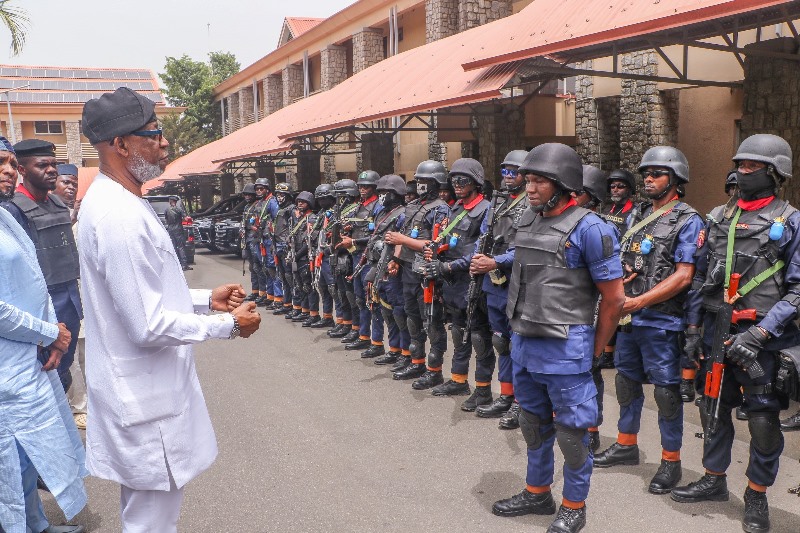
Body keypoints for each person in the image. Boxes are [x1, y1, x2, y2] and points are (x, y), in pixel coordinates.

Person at [77, 87, 262, 533]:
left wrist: (205, 299)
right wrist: (227, 326)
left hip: (144, 393)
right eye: (152, 135)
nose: (164, 144)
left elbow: (142, 294)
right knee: (151, 522)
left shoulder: (123, 202)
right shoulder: (117, 217)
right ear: (120, 145)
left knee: (147, 515)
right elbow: (146, 324)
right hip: (145, 402)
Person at [491, 144, 624, 533]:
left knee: (571, 434)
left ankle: (573, 506)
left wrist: (594, 352)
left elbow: (614, 301)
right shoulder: (527, 221)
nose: (529, 187)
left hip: (567, 349)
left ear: (563, 184)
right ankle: (537, 492)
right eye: (528, 180)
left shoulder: (592, 228)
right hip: (525, 344)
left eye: (538, 181)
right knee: (533, 425)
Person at [672, 134, 800, 533]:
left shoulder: (790, 220)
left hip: (762, 337)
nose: (743, 172)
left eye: (752, 167)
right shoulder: (717, 217)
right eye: (740, 165)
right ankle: (713, 478)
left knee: (762, 420)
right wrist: (692, 329)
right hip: (715, 330)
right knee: (712, 409)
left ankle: (757, 494)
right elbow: (698, 282)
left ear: (774, 172)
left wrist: (761, 333)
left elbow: (798, 289)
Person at [593, 147, 703, 497]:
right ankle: (626, 444)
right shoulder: (637, 213)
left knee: (667, 394)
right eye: (646, 174)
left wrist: (638, 301)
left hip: (663, 320)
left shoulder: (688, 219)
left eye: (657, 173)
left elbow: (684, 275)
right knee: (625, 384)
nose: (649, 179)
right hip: (629, 319)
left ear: (675, 178)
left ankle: (670, 461)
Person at [0, 136, 88, 533]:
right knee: (11, 454)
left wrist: (54, 332)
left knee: (25, 450)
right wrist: (47, 332)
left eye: (10, 163)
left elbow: (36, 278)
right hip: (14, 354)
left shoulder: (4, 215)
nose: (9, 170)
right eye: (2, 163)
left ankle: (34, 523)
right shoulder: (12, 210)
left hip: (33, 346)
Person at [2, 139, 83, 396]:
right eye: (42, 165)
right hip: (40, 310)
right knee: (45, 376)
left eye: (53, 165)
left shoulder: (59, 205)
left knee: (63, 371)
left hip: (69, 300)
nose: (51, 170)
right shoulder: (12, 209)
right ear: (24, 171)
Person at [419, 158, 494, 413]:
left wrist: (448, 266)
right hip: (451, 283)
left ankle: (483, 390)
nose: (457, 185)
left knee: (479, 337)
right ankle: (459, 380)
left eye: (463, 180)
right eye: (454, 180)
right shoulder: (453, 209)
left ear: (475, 182)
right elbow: (444, 239)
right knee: (458, 333)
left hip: (472, 282)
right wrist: (434, 253)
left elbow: (478, 249)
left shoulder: (485, 209)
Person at [471, 150, 529, 429]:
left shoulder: (532, 204)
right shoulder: (497, 203)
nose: (507, 176)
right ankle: (506, 395)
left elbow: (525, 248)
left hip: (518, 284)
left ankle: (522, 402)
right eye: (504, 171)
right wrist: (475, 261)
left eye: (513, 171)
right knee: (501, 343)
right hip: (492, 282)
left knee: (518, 346)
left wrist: (495, 261)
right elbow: (483, 237)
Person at [385, 161, 450, 379]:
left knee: (431, 322)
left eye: (426, 181)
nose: (420, 185)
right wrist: (395, 259)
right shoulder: (412, 207)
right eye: (419, 181)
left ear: (436, 183)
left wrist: (402, 239)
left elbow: (435, 243)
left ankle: (435, 371)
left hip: (427, 273)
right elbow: (403, 236)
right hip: (408, 270)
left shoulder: (441, 208)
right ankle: (417, 362)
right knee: (411, 318)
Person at [52, 164, 87, 430]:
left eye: (74, 182)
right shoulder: (50, 216)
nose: (71, 187)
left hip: (84, 298)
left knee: (85, 356)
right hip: (64, 301)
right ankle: (78, 408)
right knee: (70, 358)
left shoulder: (80, 217)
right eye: (66, 182)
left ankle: (85, 403)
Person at [362, 174, 408, 361]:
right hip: (377, 264)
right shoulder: (382, 212)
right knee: (385, 310)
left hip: (392, 266)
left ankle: (406, 353)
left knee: (398, 311)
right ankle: (394, 348)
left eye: (385, 192)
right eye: (380, 192)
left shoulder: (403, 213)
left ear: (396, 194)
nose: (381, 196)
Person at [339, 170, 383, 351]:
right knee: (358, 299)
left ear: (374, 188)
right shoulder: (359, 206)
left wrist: (354, 240)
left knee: (372, 301)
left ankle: (377, 341)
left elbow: (377, 234)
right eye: (360, 186)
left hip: (370, 258)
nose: (363, 189)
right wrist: (348, 231)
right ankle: (363, 335)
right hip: (356, 256)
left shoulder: (377, 206)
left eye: (366, 187)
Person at [331, 179, 361, 341]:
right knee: (341, 292)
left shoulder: (357, 210)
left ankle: (356, 328)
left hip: (350, 255)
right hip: (338, 254)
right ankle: (346, 323)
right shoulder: (340, 210)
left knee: (352, 295)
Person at [272, 183, 296, 316]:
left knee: (290, 277)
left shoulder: (292, 210)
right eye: (278, 195)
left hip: (287, 248)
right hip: (278, 246)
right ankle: (287, 303)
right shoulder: (280, 210)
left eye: (282, 195)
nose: (279, 198)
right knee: (283, 277)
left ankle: (296, 305)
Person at [165, 196, 191, 271]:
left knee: (173, 246)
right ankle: (184, 265)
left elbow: (166, 220)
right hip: (178, 230)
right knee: (181, 247)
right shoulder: (179, 209)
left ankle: (175, 265)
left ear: (170, 201)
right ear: (175, 202)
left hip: (170, 230)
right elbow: (185, 218)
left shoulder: (167, 210)